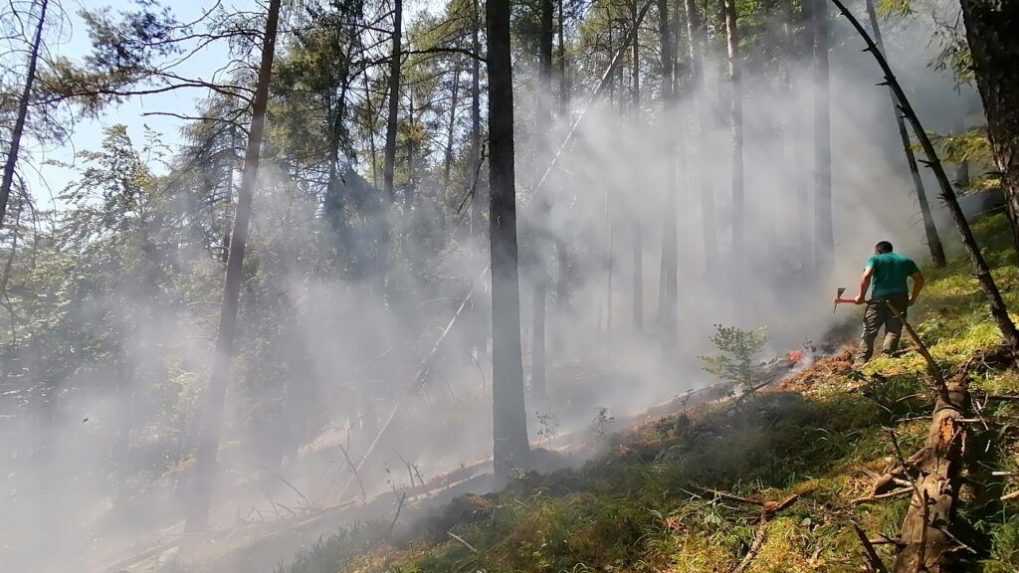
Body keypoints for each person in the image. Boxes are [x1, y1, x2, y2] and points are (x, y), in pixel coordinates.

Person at [850, 241, 925, 363]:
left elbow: (866, 276)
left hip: (878, 300)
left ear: (878, 250)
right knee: (893, 330)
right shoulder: (905, 261)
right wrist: (913, 297)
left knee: (869, 330)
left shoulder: (875, 259)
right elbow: (919, 279)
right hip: (900, 299)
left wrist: (861, 296)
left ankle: (860, 362)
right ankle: (887, 359)